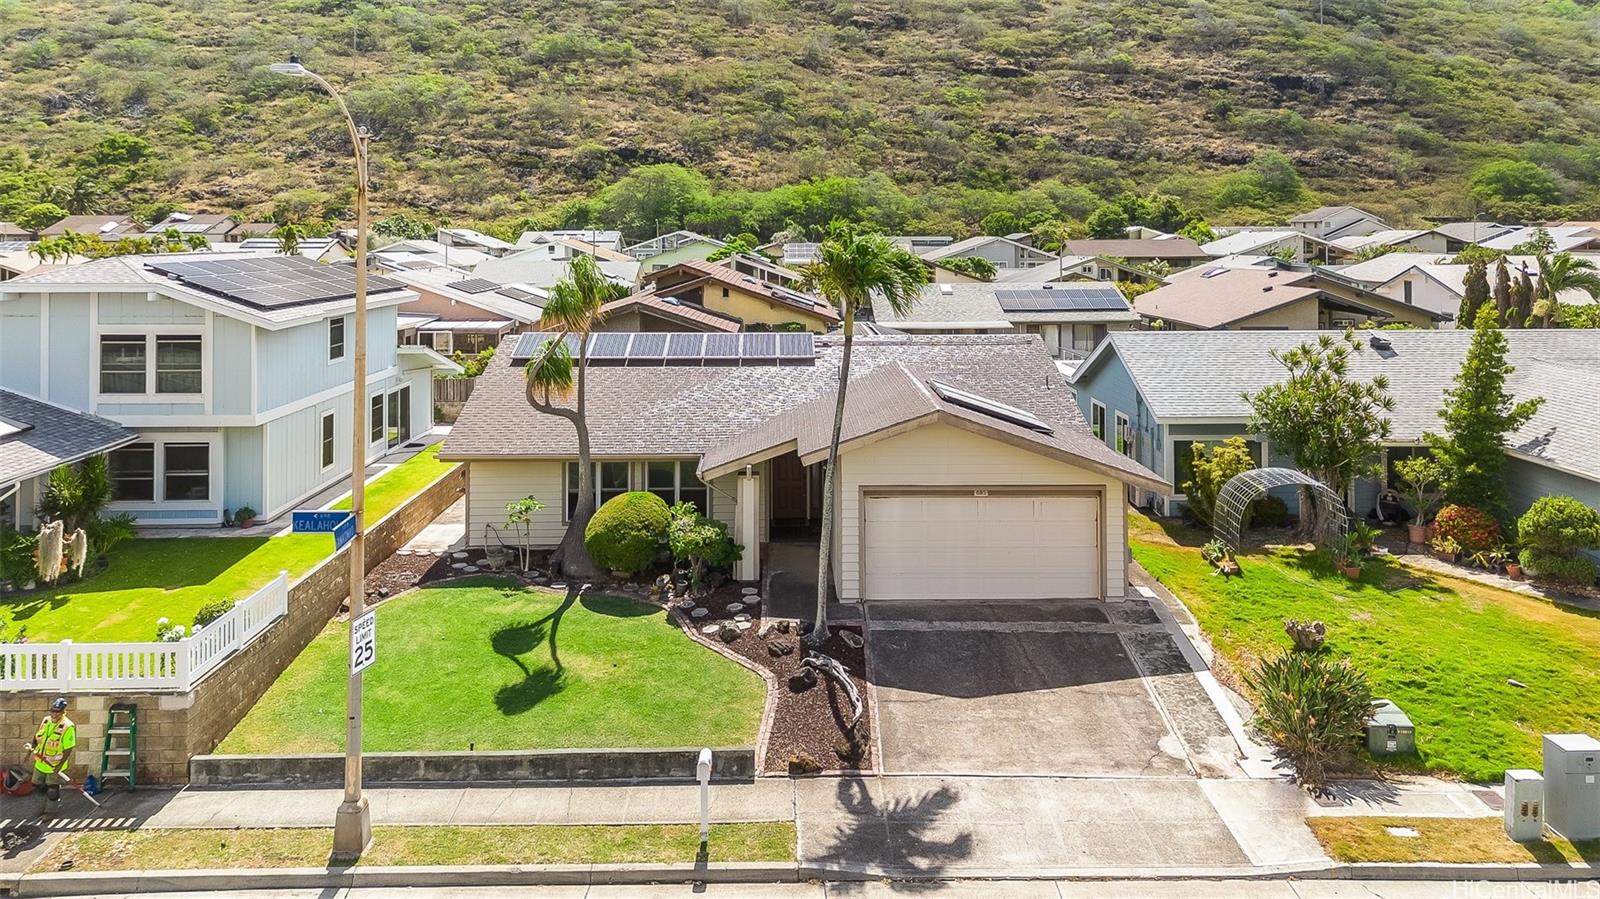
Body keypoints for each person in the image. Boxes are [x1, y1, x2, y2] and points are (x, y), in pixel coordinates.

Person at [27, 698, 74, 818]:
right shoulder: (46, 721)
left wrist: (59, 766)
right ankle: (42, 807)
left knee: (52, 789)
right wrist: (30, 751)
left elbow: (68, 748)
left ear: (64, 712)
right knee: (37, 785)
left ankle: (51, 812)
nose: (54, 714)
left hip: (54, 765)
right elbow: (37, 736)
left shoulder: (68, 727)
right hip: (40, 762)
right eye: (52, 711)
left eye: (57, 712)